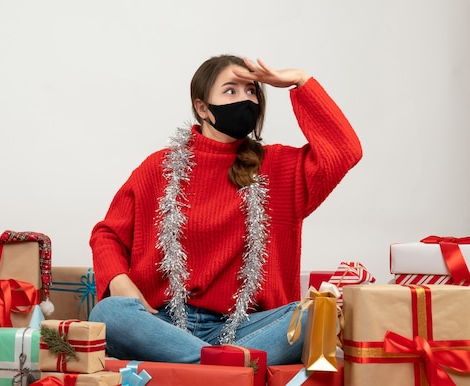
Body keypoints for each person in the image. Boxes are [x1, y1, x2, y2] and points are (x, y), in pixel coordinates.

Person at [88, 54, 362, 365]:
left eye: (252, 91)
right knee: (108, 313)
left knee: (313, 315)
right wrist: (118, 279)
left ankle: (208, 368)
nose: (245, 99)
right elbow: (107, 233)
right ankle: (227, 369)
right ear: (202, 107)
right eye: (230, 91)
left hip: (246, 327)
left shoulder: (280, 168)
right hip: (162, 322)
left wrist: (300, 81)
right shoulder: (159, 167)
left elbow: (345, 150)